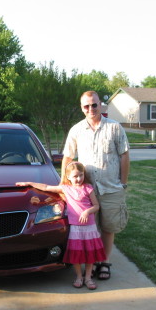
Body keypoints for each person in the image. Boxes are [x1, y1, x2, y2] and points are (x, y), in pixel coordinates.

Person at [62, 90, 130, 281]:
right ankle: (91, 265)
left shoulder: (115, 128)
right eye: (86, 106)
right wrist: (64, 183)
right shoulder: (76, 130)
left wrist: (123, 183)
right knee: (90, 229)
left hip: (111, 188)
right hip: (86, 191)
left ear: (100, 104)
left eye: (94, 104)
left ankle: (104, 263)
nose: (91, 109)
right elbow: (68, 156)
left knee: (108, 228)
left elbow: (124, 155)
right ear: (81, 108)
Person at [17, 161, 106, 290]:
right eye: (75, 176)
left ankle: (88, 278)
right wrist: (29, 183)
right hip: (75, 227)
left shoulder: (88, 188)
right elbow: (46, 187)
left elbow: (96, 206)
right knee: (77, 253)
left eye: (80, 175)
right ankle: (79, 277)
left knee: (89, 253)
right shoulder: (66, 188)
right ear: (68, 177)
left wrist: (87, 211)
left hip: (89, 227)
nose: (78, 179)